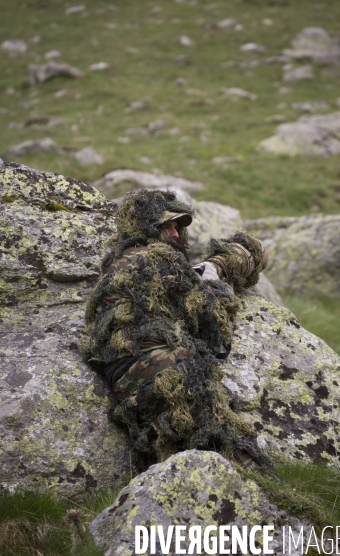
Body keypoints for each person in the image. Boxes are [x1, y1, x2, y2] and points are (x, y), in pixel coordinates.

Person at [81, 188, 273, 475]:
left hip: (126, 376)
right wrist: (216, 282)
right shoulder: (159, 258)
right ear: (144, 227)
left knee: (175, 461)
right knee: (233, 457)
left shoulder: (117, 264)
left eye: (177, 227)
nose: (174, 234)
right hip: (167, 369)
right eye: (166, 226)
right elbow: (210, 326)